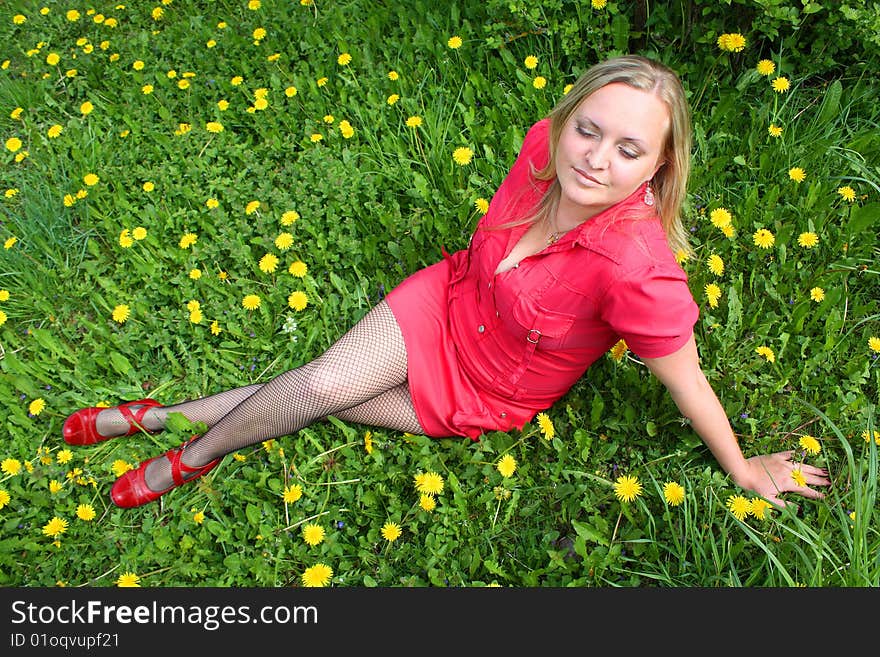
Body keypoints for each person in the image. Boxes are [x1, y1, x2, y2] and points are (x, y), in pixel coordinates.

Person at [62, 54, 831, 509]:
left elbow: (686, 379)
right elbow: (511, 216)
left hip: (489, 388)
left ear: (658, 166)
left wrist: (740, 464)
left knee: (327, 396)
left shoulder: (638, 270)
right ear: (564, 121)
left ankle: (159, 420)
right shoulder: (542, 148)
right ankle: (188, 451)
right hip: (449, 301)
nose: (594, 158)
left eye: (629, 150)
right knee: (326, 383)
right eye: (587, 129)